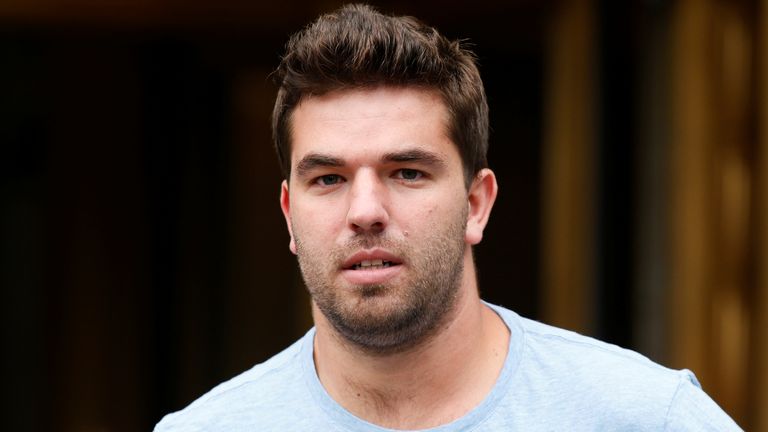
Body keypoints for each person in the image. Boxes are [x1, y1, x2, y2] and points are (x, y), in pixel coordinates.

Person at [155, 4, 741, 431]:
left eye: (407, 172)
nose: (365, 212)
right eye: (328, 179)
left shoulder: (645, 417)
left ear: (477, 203)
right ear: (289, 214)